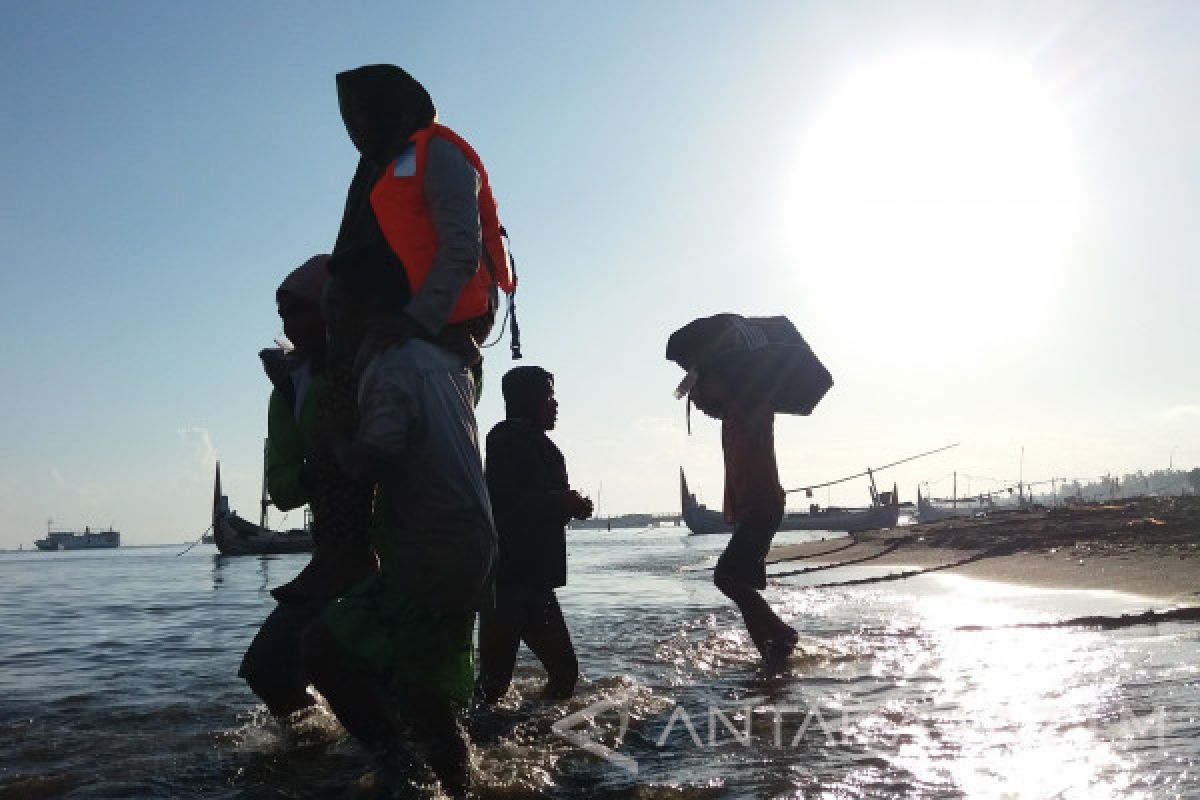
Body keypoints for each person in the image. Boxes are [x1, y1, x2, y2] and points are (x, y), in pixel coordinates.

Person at [300, 242, 496, 798]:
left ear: (376, 310)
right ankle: (446, 779)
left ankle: (411, 773)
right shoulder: (436, 357)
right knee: (420, 690)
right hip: (460, 545)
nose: (331, 326)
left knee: (326, 652)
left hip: (436, 548)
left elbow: (370, 461)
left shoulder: (391, 368)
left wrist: (338, 432)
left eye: (339, 312)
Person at [332, 64, 516, 391]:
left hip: (442, 322)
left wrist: (414, 322)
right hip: (403, 317)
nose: (355, 127)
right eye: (348, 117)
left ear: (389, 108)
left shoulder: (441, 155)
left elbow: (461, 250)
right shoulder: (378, 168)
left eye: (363, 113)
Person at [239, 255, 342, 718]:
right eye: (284, 316)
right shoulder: (289, 388)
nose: (292, 323)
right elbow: (282, 488)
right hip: (335, 557)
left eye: (302, 309)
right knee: (267, 668)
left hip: (404, 551)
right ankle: (315, 744)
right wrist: (318, 469)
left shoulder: (385, 362)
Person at [476, 367, 592, 706]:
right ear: (525, 399)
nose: (555, 404)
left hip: (526, 580)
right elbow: (507, 501)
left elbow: (533, 498)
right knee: (555, 673)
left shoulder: (532, 442)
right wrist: (562, 501)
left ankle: (502, 735)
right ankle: (501, 740)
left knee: (497, 683)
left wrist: (570, 505)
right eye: (548, 396)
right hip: (515, 580)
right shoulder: (507, 439)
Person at [690, 375, 799, 665]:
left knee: (725, 577)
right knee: (742, 584)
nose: (698, 399)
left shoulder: (752, 407)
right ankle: (771, 653)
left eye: (701, 389)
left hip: (762, 506)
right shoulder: (732, 415)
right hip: (750, 509)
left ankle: (781, 633)